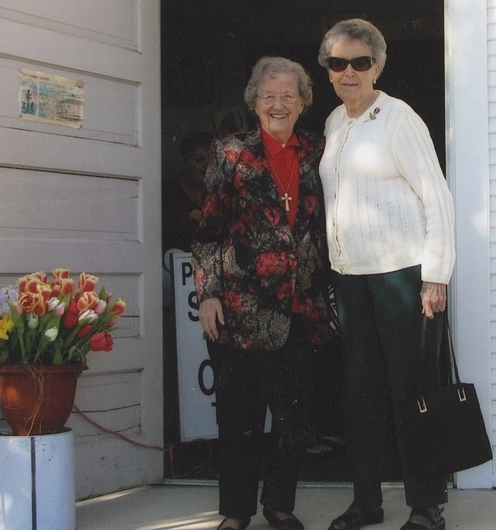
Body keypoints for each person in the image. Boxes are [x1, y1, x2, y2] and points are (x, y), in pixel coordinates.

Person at [317, 18, 456, 530]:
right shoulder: (334, 122)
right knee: (360, 394)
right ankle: (366, 502)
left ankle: (426, 506)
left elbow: (436, 197)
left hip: (403, 276)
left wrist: (436, 275)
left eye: (359, 62)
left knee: (413, 391)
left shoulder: (399, 119)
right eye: (337, 63)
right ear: (328, 70)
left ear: (376, 65)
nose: (348, 72)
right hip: (351, 278)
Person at [192, 56, 334, 530]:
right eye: (269, 95)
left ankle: (279, 504)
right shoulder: (230, 152)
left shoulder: (318, 150)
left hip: (302, 308)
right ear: (255, 101)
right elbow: (209, 231)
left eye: (288, 96)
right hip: (238, 309)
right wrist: (208, 292)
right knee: (239, 418)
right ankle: (236, 512)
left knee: (294, 422)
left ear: (302, 102)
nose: (278, 104)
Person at [162, 131, 214, 252]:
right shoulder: (168, 192)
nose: (206, 165)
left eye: (211, 159)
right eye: (199, 159)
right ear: (185, 161)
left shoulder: (218, 192)